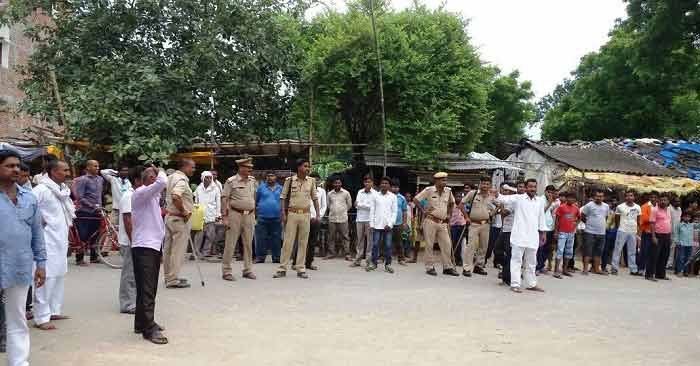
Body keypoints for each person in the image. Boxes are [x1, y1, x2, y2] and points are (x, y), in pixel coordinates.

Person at [0, 149, 47, 365]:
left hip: (19, 265)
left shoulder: (29, 198)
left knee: (17, 317)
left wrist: (41, 263)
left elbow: (37, 233)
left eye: (17, 166)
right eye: (10, 165)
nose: (16, 170)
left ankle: (18, 362)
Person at [32, 160, 75, 330]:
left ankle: (53, 310)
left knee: (58, 275)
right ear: (53, 171)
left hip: (60, 239)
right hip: (46, 240)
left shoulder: (63, 190)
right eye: (64, 170)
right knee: (46, 277)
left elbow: (65, 215)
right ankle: (41, 318)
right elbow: (29, 210)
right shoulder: (40, 190)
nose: (68, 173)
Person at [131, 166, 168, 344]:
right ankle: (148, 329)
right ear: (145, 180)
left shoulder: (153, 197)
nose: (156, 180)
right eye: (152, 177)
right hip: (144, 247)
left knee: (147, 287)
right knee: (147, 289)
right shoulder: (141, 192)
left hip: (151, 246)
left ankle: (141, 323)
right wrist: (160, 169)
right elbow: (163, 181)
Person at [494, 178, 546, 293]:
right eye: (530, 186)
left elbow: (541, 218)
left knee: (531, 261)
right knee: (516, 260)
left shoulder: (539, 201)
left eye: (534, 186)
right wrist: (497, 193)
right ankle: (515, 284)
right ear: (526, 188)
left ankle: (532, 284)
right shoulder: (518, 198)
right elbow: (504, 199)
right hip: (519, 235)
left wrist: (543, 233)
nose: (532, 189)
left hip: (533, 236)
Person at [274, 159, 320, 279]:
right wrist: (283, 213)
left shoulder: (311, 181)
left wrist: (318, 214)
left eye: (308, 166)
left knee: (303, 243)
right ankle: (282, 269)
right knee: (287, 242)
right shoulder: (289, 181)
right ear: (299, 167)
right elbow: (283, 197)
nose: (307, 168)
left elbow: (315, 198)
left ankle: (300, 268)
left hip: (305, 214)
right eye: (305, 166)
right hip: (292, 214)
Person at [414, 172, 460, 277]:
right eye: (443, 180)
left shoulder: (448, 191)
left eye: (445, 180)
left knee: (447, 244)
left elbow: (452, 203)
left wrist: (449, 215)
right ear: (436, 181)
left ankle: (447, 267)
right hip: (430, 220)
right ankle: (430, 267)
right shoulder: (429, 190)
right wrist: (423, 210)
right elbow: (416, 200)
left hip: (443, 222)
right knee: (429, 245)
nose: (445, 182)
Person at [222, 158, 257, 281]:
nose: (250, 170)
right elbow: (224, 199)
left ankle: (247, 270)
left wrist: (254, 215)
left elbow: (254, 198)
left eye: (250, 167)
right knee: (230, 243)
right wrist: (225, 217)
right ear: (241, 168)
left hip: (250, 215)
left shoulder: (252, 181)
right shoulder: (231, 181)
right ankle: (226, 271)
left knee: (248, 244)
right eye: (248, 167)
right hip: (235, 215)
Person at [163, 158, 195, 289]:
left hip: (170, 217)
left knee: (168, 250)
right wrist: (185, 211)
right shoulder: (181, 180)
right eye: (192, 167)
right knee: (178, 250)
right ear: (185, 166)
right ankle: (173, 279)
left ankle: (168, 276)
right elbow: (176, 196)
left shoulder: (171, 177)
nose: (194, 170)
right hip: (179, 219)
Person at [462, 176, 496, 277]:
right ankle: (467, 268)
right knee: (471, 246)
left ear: (490, 185)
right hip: (473, 224)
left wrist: (494, 212)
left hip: (486, 224)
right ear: (480, 184)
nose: (485, 186)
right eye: (483, 183)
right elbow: (461, 204)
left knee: (483, 246)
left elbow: (498, 206)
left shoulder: (492, 196)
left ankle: (479, 266)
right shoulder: (473, 194)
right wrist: (466, 217)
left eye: (487, 184)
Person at [72, 159, 104, 265]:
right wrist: (92, 206)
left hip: (97, 211)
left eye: (98, 166)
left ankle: (94, 257)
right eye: (95, 166)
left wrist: (99, 206)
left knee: (96, 234)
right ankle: (79, 258)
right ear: (88, 167)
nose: (97, 168)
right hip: (84, 212)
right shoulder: (82, 180)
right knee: (83, 235)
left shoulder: (100, 179)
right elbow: (80, 197)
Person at [117, 167, 138, 314]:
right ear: (137, 180)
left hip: (137, 240)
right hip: (130, 240)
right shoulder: (128, 196)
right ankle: (127, 304)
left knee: (135, 273)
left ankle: (134, 300)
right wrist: (134, 240)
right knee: (129, 273)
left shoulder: (137, 195)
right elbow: (127, 219)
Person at [367, 177, 398, 273]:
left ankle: (388, 264)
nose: (384, 184)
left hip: (388, 226)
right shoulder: (375, 196)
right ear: (380, 185)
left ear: (389, 185)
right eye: (382, 183)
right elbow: (372, 211)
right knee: (375, 244)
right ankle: (373, 263)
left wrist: (390, 224)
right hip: (376, 225)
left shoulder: (393, 196)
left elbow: (394, 212)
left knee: (388, 245)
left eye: (386, 183)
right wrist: (371, 224)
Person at [611, 191, 642, 276]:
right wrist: (619, 228)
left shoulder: (638, 207)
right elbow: (617, 219)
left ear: (634, 197)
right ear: (625, 198)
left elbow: (639, 221)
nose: (629, 197)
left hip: (633, 231)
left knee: (632, 251)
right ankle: (614, 268)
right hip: (622, 230)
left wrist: (638, 232)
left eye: (631, 196)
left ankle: (633, 269)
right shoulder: (620, 207)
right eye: (627, 196)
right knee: (618, 249)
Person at [580, 190, 610, 275]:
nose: (599, 198)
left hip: (601, 233)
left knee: (599, 251)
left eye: (601, 196)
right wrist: (589, 224)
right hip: (589, 232)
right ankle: (585, 269)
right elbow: (582, 216)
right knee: (587, 250)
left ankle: (596, 269)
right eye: (597, 196)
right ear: (594, 197)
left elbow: (606, 217)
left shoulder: (606, 206)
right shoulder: (589, 205)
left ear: (603, 197)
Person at [255, 172, 282, 263]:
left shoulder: (281, 188)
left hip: (277, 217)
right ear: (266, 178)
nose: (270, 177)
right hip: (262, 217)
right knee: (261, 238)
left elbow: (284, 202)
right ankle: (260, 257)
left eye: (272, 175)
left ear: (276, 177)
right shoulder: (261, 188)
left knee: (276, 238)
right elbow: (256, 201)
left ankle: (276, 257)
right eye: (268, 176)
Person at [194, 171, 221, 258]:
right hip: (200, 214)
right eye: (207, 177)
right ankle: (196, 252)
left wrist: (218, 214)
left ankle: (206, 252)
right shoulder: (199, 188)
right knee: (199, 234)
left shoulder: (216, 188)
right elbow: (196, 201)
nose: (209, 179)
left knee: (210, 235)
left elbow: (218, 202)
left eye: (210, 177)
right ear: (203, 178)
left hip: (211, 213)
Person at [552, 192, 579, 279]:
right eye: (569, 198)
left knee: (569, 251)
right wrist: (556, 231)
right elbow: (557, 220)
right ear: (566, 198)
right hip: (562, 232)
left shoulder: (576, 208)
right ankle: (556, 271)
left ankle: (565, 269)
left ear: (575, 200)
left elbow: (579, 217)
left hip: (571, 233)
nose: (571, 200)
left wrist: (575, 225)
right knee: (560, 250)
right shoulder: (561, 207)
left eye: (573, 198)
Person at [495, 183, 517, 285]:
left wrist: (501, 206)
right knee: (497, 251)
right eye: (504, 190)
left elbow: (504, 213)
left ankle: (507, 278)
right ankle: (507, 270)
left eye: (508, 191)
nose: (505, 192)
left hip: (511, 231)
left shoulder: (513, 202)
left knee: (509, 254)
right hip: (504, 229)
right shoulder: (505, 201)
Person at [326, 176, 352, 261]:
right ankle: (331, 253)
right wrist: (334, 211)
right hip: (332, 218)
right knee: (331, 237)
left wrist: (343, 211)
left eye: (339, 183)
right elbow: (329, 205)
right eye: (335, 183)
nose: (337, 184)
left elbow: (349, 205)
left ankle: (347, 254)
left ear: (341, 183)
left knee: (345, 237)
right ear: (333, 184)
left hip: (343, 218)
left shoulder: (346, 193)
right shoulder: (329, 194)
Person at [351, 175, 376, 267]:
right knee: (359, 240)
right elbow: (356, 205)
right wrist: (364, 205)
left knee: (370, 241)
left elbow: (373, 207)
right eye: (365, 182)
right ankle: (357, 260)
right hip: (359, 219)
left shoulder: (375, 194)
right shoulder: (360, 192)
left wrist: (361, 205)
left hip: (370, 220)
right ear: (363, 183)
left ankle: (369, 261)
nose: (367, 183)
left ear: (372, 183)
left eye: (369, 182)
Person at [647, 194, 672, 282]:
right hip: (658, 235)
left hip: (667, 235)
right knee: (654, 256)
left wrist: (670, 235)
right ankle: (649, 274)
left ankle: (660, 274)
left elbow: (669, 222)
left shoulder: (668, 210)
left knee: (664, 256)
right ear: (658, 201)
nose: (663, 202)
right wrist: (653, 236)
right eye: (661, 200)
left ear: (668, 201)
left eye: (665, 200)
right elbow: (652, 223)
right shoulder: (654, 210)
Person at [304, 172, 326, 270]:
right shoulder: (305, 189)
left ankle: (309, 263)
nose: (315, 181)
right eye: (313, 179)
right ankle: (297, 262)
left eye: (317, 179)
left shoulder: (321, 191)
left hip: (316, 220)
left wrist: (318, 217)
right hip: (304, 218)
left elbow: (324, 206)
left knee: (312, 242)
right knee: (302, 241)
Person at [536, 185, 558, 274]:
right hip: (542, 228)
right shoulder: (540, 200)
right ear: (545, 191)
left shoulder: (552, 201)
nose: (550, 194)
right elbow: (541, 212)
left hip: (549, 227)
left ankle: (541, 266)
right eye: (548, 192)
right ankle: (537, 267)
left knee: (547, 249)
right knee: (540, 249)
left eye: (552, 193)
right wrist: (549, 203)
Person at [638, 191, 658, 274]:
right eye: (652, 197)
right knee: (644, 250)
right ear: (650, 198)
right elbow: (645, 219)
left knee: (653, 252)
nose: (653, 199)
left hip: (657, 232)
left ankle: (650, 269)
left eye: (655, 197)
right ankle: (641, 268)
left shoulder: (658, 206)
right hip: (646, 231)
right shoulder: (645, 206)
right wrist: (654, 220)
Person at [390, 179, 409, 266]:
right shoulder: (387, 197)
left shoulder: (402, 198)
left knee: (399, 242)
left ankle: (401, 258)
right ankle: (382, 257)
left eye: (396, 187)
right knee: (385, 241)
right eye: (393, 187)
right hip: (388, 223)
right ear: (390, 187)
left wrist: (404, 223)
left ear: (399, 188)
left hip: (399, 223)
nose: (395, 189)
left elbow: (404, 211)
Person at [486, 187, 503, 269]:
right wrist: (497, 210)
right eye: (491, 192)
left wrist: (498, 210)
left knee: (499, 246)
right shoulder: (488, 201)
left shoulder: (501, 200)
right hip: (491, 226)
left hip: (500, 226)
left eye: (494, 192)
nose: (492, 194)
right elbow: (491, 214)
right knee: (489, 244)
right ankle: (484, 261)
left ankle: (497, 262)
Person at [601, 196, 619, 272]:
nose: (614, 203)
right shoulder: (605, 210)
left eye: (615, 201)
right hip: (605, 231)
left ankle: (606, 266)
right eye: (612, 201)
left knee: (609, 250)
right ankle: (602, 266)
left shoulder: (617, 210)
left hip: (614, 232)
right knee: (604, 249)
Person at [449, 195, 466, 267]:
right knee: (453, 242)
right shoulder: (451, 205)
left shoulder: (463, 205)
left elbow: (465, 215)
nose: (458, 198)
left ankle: (458, 259)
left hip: (461, 225)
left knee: (459, 243)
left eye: (460, 197)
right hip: (453, 226)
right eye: (457, 196)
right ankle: (451, 258)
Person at [674, 211, 694, 276]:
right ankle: (679, 271)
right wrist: (677, 242)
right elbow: (676, 234)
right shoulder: (679, 225)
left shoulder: (691, 225)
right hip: (681, 243)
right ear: (682, 217)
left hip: (689, 244)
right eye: (685, 216)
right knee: (680, 258)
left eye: (688, 217)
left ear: (690, 218)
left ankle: (686, 271)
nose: (687, 218)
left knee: (688, 258)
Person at [668, 197, 682, 269]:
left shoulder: (679, 209)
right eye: (676, 201)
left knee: (672, 249)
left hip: (676, 232)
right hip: (668, 231)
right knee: (667, 248)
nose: (678, 203)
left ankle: (670, 264)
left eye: (679, 201)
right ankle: (665, 263)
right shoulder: (669, 209)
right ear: (672, 202)